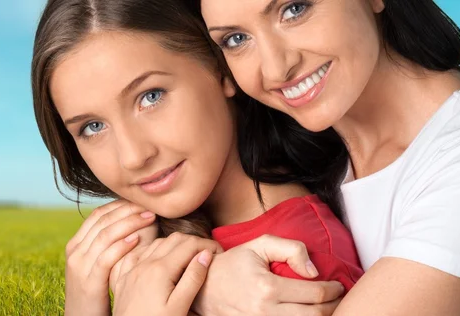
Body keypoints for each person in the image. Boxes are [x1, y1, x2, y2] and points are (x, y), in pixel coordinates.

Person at [31, 0, 364, 314]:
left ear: (220, 69)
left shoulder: (293, 269)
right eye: (92, 127)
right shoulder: (135, 255)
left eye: (151, 96)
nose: (133, 156)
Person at [181, 0, 460, 314]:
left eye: (294, 9)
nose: (276, 68)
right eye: (236, 39)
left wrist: (194, 285)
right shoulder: (300, 152)